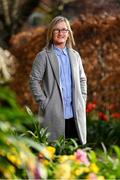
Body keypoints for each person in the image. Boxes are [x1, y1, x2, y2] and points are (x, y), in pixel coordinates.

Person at [29, 16, 87, 145]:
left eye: (64, 30)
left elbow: (82, 79)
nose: (61, 33)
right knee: (55, 158)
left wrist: (82, 100)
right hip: (53, 115)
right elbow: (34, 80)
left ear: (68, 33)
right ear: (51, 33)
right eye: (56, 30)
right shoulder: (43, 56)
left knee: (75, 159)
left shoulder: (75, 56)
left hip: (75, 116)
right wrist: (45, 103)